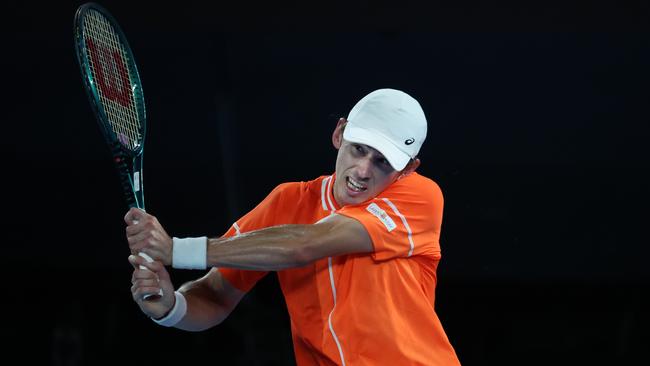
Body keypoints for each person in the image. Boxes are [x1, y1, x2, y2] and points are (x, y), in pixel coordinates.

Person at [125, 88, 461, 365]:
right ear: (339, 133)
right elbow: (215, 295)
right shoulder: (287, 202)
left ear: (408, 168)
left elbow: (307, 244)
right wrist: (170, 307)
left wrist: (176, 250)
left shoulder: (420, 197)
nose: (362, 170)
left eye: (382, 162)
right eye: (358, 149)